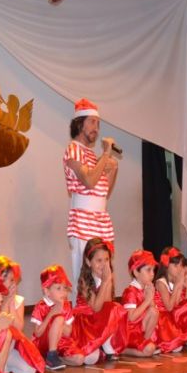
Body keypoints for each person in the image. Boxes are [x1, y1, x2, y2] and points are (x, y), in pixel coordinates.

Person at [63, 98, 119, 285]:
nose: (96, 128)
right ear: (80, 124)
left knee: (105, 279)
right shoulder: (73, 150)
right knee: (86, 281)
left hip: (101, 220)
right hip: (83, 222)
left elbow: (103, 193)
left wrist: (113, 169)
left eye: (98, 124)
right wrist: (105, 155)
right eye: (92, 122)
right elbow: (88, 181)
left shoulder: (91, 155)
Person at [31, 265, 98, 369]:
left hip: (61, 343)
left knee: (80, 359)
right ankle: (51, 354)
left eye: (65, 288)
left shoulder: (66, 306)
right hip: (44, 343)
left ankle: (54, 358)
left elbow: (68, 333)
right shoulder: (41, 306)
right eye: (58, 288)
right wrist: (52, 314)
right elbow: (38, 333)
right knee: (59, 319)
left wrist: (61, 321)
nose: (63, 292)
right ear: (47, 291)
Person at [71, 238, 127, 360]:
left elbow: (106, 305)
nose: (103, 264)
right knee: (91, 358)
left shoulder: (108, 277)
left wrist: (107, 281)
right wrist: (106, 281)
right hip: (85, 323)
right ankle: (98, 345)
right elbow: (96, 307)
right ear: (88, 262)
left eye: (106, 260)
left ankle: (105, 345)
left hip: (97, 321)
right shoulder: (84, 281)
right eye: (99, 260)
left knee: (115, 307)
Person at [0, 256, 45, 373]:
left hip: (10, 347)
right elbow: (0, 325)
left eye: (12, 280)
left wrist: (10, 301)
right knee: (6, 333)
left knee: (29, 371)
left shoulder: (18, 300)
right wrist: (5, 302)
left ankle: (5, 365)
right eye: (8, 279)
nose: (11, 283)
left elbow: (19, 327)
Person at [154, 247, 187, 347]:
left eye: (180, 265)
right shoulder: (161, 283)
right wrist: (177, 286)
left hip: (175, 319)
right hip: (165, 321)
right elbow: (170, 307)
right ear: (166, 265)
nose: (179, 268)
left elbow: (184, 306)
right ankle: (179, 340)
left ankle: (185, 337)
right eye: (175, 265)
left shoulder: (177, 281)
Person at [120, 250, 160, 357]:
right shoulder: (130, 292)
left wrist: (150, 297)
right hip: (131, 332)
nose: (152, 274)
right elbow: (131, 318)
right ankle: (123, 350)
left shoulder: (146, 288)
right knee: (149, 349)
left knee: (154, 312)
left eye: (153, 270)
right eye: (148, 270)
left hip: (142, 330)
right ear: (136, 272)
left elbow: (154, 314)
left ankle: (145, 342)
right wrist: (147, 300)